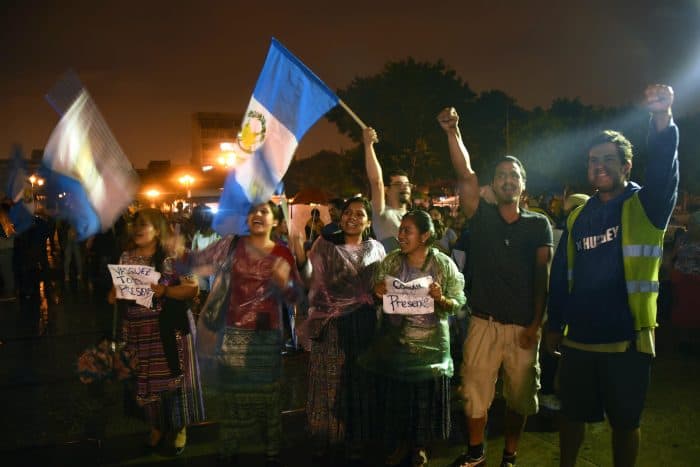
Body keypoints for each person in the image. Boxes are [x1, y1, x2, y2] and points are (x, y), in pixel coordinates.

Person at [546, 84, 679, 467]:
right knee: (571, 414)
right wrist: (555, 323)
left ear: (626, 166)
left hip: (628, 340)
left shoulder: (647, 206)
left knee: (625, 421)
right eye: (592, 160)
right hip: (579, 339)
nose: (598, 166)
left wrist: (661, 119)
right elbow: (561, 276)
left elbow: (663, 168)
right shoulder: (576, 217)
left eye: (607, 159)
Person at [438, 107, 553, 467]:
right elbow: (464, 173)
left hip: (522, 328)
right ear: (493, 183)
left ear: (523, 186)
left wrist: (536, 324)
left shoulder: (539, 225)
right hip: (483, 324)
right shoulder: (482, 216)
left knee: (519, 399)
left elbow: (542, 277)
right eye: (501, 175)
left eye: (513, 175)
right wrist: (453, 131)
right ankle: (476, 453)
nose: (507, 179)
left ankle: (510, 454)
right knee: (474, 395)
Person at [183, 201, 302, 466]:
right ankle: (229, 447)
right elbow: (195, 262)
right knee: (233, 394)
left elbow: (296, 296)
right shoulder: (231, 245)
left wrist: (286, 283)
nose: (257, 215)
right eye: (252, 212)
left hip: (267, 335)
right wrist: (174, 251)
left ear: (275, 221)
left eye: (264, 211)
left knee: (268, 395)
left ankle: (272, 446)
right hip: (233, 332)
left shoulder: (282, 252)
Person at [360, 210, 465, 467]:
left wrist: (441, 298)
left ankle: (419, 447)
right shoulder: (392, 262)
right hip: (395, 348)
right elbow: (374, 294)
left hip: (430, 352)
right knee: (397, 402)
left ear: (425, 235)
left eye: (408, 230)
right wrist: (377, 291)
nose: (401, 235)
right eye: (401, 229)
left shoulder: (442, 265)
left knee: (423, 404)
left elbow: (458, 304)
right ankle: (399, 445)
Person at [296, 196, 385, 465]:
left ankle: (356, 439)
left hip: (364, 324)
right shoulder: (324, 246)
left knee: (358, 383)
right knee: (328, 384)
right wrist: (301, 257)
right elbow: (309, 278)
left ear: (369, 222)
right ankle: (325, 438)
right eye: (348, 212)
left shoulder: (377, 250)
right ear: (340, 216)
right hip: (331, 325)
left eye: (360, 214)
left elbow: (382, 285)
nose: (353, 217)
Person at [108, 208, 205, 456]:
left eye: (145, 224)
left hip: (169, 331)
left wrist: (166, 292)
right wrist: (114, 293)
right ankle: (156, 428)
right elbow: (120, 291)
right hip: (138, 332)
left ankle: (179, 427)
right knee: (146, 383)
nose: (138, 229)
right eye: (136, 224)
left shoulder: (174, 257)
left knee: (174, 384)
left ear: (158, 229)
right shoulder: (126, 256)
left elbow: (192, 289)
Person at [363, 126, 412, 251]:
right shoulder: (382, 214)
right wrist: (369, 145)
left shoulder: (416, 217)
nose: (405, 188)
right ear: (386, 190)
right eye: (398, 184)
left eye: (407, 184)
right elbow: (376, 182)